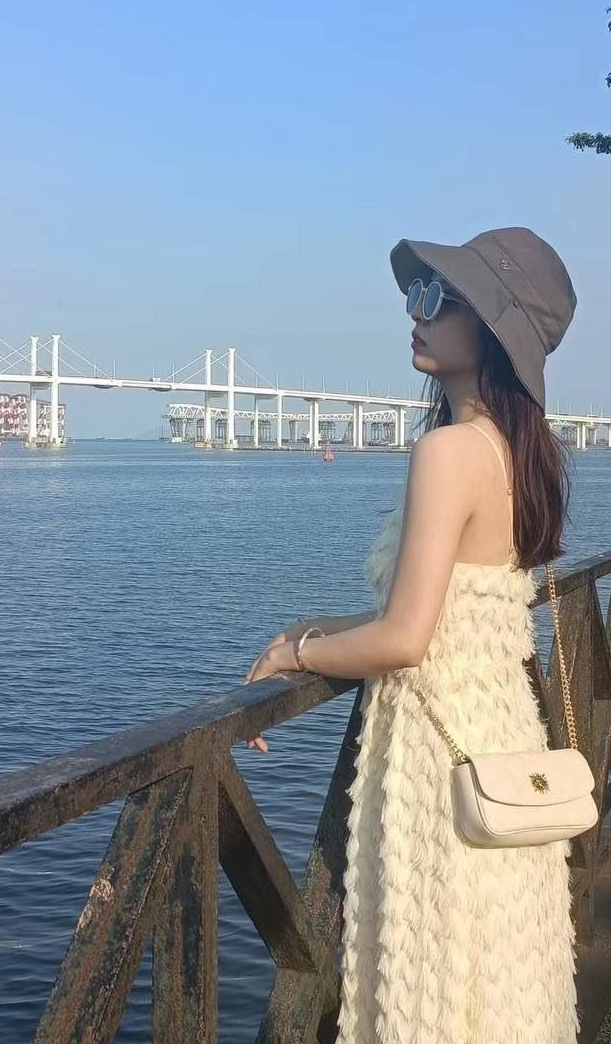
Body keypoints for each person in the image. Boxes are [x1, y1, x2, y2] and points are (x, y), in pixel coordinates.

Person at [244, 226, 580, 1044]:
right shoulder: (519, 452)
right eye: (415, 295)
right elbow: (447, 609)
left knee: (432, 983)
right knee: (497, 976)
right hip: (502, 740)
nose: (414, 312)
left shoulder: (448, 452)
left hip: (439, 757)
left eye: (437, 298)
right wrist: (307, 626)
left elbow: (404, 640)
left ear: (491, 330)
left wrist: (301, 654)